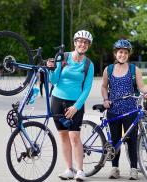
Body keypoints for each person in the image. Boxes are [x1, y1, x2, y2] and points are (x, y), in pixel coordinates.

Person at [47, 30, 94, 181]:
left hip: (75, 104)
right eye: (79, 41)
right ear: (75, 43)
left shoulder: (88, 64)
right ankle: (68, 169)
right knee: (63, 136)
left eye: (85, 42)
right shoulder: (64, 57)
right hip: (57, 100)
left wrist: (76, 106)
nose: (82, 44)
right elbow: (54, 81)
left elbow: (87, 88)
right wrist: (51, 69)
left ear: (88, 46)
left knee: (74, 136)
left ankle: (80, 170)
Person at [101, 39, 147, 180]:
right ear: (116, 54)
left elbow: (141, 87)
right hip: (113, 110)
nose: (122, 55)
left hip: (130, 110)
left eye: (125, 53)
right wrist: (105, 99)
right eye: (120, 52)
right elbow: (104, 87)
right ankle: (115, 168)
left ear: (128, 54)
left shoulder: (134, 70)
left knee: (131, 141)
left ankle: (133, 169)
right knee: (115, 141)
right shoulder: (108, 69)